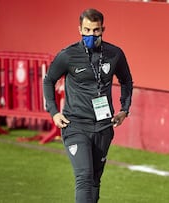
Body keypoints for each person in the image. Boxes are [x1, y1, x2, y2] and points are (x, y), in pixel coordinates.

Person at [43, 8, 133, 203]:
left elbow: (127, 81)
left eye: (96, 30)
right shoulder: (67, 55)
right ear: (79, 29)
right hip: (75, 125)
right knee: (84, 177)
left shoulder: (115, 54)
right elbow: (48, 80)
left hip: (103, 126)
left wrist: (124, 109)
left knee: (94, 181)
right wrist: (54, 112)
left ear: (103, 29)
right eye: (87, 30)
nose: (91, 35)